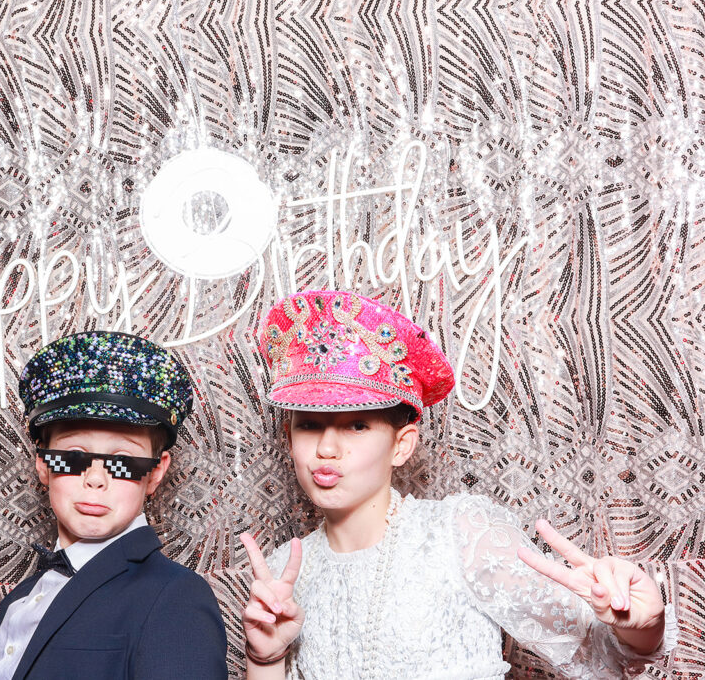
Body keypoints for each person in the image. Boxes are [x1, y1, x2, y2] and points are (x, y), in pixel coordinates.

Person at [240, 290, 676, 679]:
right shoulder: (280, 572)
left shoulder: (461, 535)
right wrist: (265, 662)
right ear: (289, 437)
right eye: (310, 425)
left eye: (357, 424)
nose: (327, 448)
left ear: (402, 445)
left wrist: (642, 626)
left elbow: (606, 657)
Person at [0, 331, 228, 679]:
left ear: (156, 472)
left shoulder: (175, 598)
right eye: (74, 456)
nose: (96, 478)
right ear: (43, 465)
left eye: (123, 460)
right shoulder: (26, 595)